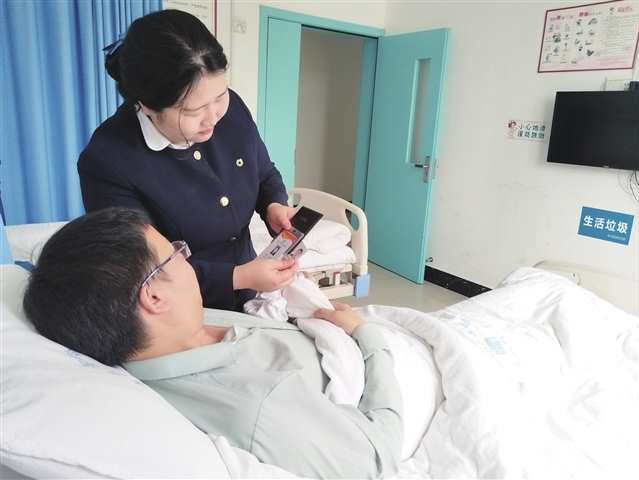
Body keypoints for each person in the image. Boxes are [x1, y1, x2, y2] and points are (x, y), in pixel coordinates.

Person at [22, 207, 404, 479]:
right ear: (153, 296)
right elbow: (375, 459)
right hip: (385, 369)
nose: (186, 259)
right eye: (176, 253)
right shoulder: (260, 402)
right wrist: (366, 335)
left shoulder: (178, 328)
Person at [78, 9, 296, 312]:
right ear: (147, 106)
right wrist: (239, 276)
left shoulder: (231, 111)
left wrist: (274, 205)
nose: (213, 117)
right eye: (193, 111)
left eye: (220, 96)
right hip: (178, 309)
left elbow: (263, 172)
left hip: (250, 294)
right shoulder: (109, 160)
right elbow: (144, 267)